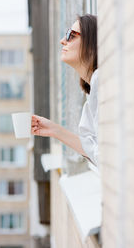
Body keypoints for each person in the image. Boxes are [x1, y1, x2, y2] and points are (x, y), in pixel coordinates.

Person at [31, 14, 99, 166]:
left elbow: (102, 156)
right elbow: (94, 151)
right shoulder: (94, 88)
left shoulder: (101, 81)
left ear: (91, 42)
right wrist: (53, 130)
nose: (62, 40)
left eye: (70, 35)